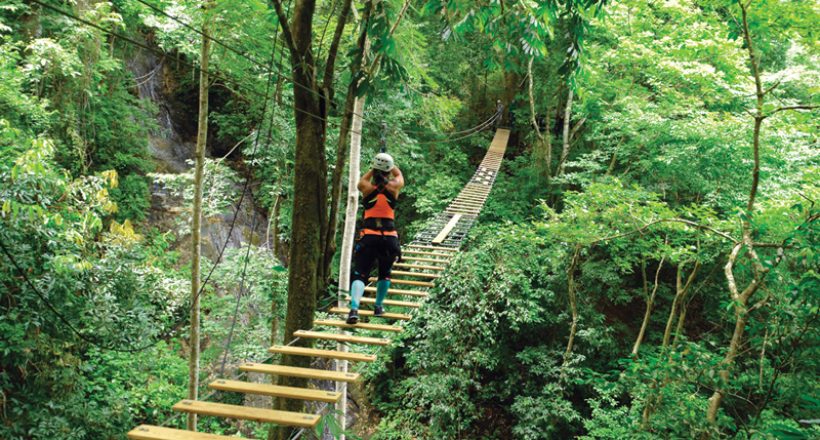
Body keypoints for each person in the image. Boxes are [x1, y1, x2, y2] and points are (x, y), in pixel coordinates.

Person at [346, 153, 404, 324]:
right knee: (384, 274)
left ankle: (354, 309)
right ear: (388, 171)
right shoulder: (395, 187)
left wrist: (374, 169)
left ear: (374, 169)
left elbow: (362, 180)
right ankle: (378, 307)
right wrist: (389, 165)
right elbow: (399, 175)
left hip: (369, 237)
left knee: (360, 274)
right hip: (389, 239)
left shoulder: (365, 187)